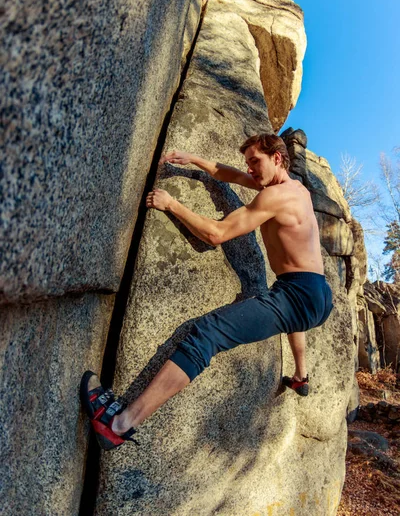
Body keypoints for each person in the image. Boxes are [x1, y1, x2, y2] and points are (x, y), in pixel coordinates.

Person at [81, 134, 333, 450]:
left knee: (206, 334)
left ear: (278, 158)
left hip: (299, 295)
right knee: (289, 311)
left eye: (256, 161)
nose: (251, 170)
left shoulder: (275, 197)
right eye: (248, 163)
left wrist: (171, 203)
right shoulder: (297, 190)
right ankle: (301, 375)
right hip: (319, 296)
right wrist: (195, 160)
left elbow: (216, 234)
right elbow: (232, 176)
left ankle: (117, 424)